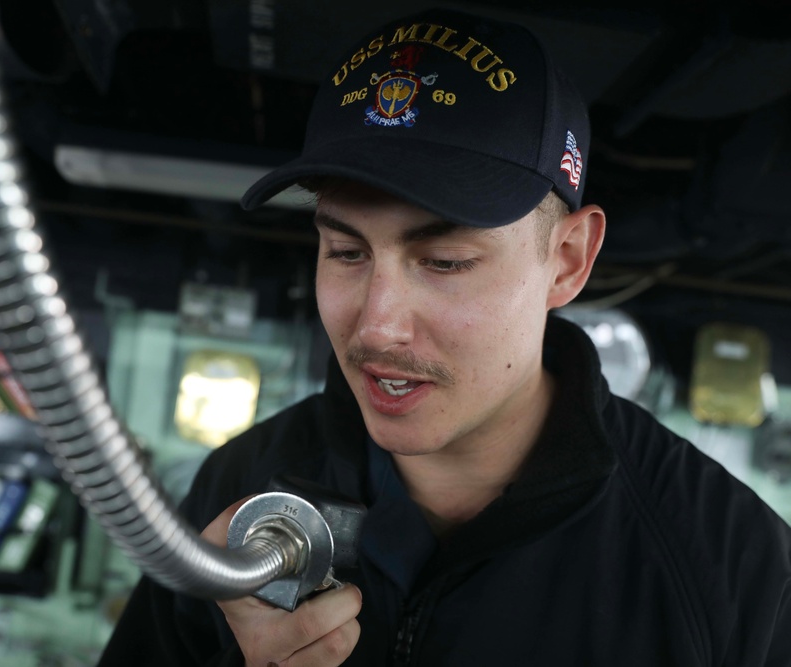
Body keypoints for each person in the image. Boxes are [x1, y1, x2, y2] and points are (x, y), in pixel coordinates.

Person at [96, 7, 791, 666]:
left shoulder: (735, 569)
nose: (376, 325)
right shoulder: (239, 486)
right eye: (346, 251)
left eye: (445, 261)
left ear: (569, 260)